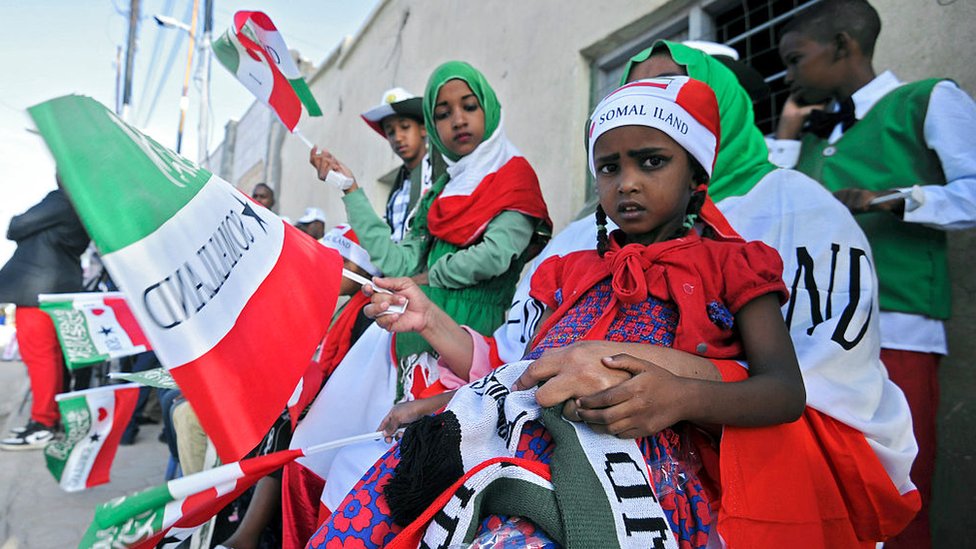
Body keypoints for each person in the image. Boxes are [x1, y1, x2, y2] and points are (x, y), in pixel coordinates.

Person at [315, 41, 921, 547]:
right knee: (359, 518)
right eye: (609, 167)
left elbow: (786, 390)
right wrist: (436, 346)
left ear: (697, 171)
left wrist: (676, 391)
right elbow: (518, 361)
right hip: (509, 433)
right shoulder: (571, 265)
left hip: (631, 465)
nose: (628, 182)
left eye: (653, 159)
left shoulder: (742, 257)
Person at [768, 2, 976, 545]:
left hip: (900, 322)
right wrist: (789, 132)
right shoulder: (813, 135)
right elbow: (772, 216)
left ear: (842, 44)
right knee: (823, 485)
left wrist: (887, 200)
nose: (789, 76)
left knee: (898, 489)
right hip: (814, 336)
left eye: (795, 59)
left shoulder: (926, 100)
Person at [309, 60, 551, 400]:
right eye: (443, 114)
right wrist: (350, 189)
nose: (459, 120)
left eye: (469, 106)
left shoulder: (515, 178)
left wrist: (427, 278)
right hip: (414, 344)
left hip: (472, 347)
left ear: (490, 109)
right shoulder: (438, 192)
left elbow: (495, 255)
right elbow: (400, 263)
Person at [0, 176, 89, 450]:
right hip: (59, 286)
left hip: (36, 289)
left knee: (40, 358)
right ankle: (49, 420)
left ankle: (42, 425)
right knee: (52, 359)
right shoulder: (86, 205)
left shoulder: (61, 199)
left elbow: (16, 226)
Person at [360, 87, 435, 242]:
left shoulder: (438, 174)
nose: (398, 137)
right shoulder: (396, 191)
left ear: (423, 129)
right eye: (390, 131)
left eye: (405, 127)